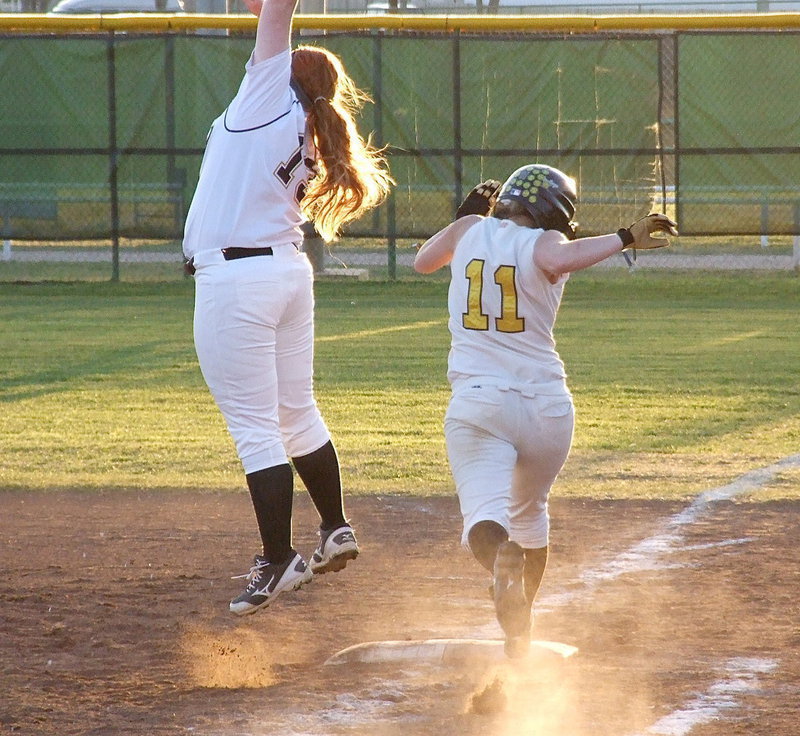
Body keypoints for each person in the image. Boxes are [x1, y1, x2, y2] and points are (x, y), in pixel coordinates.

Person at [181, 0, 393, 616]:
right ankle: (335, 528)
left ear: (282, 78)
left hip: (238, 280)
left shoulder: (267, 102)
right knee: (296, 412)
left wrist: (271, 10)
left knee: (256, 427)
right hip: (286, 274)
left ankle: (279, 560)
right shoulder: (306, 125)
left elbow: (278, 12)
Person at [413, 165, 677, 657]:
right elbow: (560, 255)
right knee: (530, 513)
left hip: (481, 403)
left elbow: (423, 262)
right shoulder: (545, 242)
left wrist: (463, 219)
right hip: (548, 409)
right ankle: (520, 635)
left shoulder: (469, 229)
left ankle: (500, 563)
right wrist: (624, 237)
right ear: (555, 211)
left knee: (485, 520)